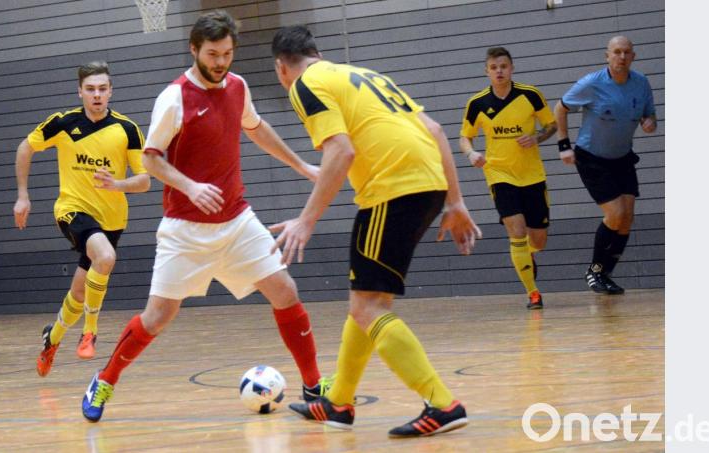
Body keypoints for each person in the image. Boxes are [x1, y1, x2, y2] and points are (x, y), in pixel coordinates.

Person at [81, 10, 325, 422]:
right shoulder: (173, 97)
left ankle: (316, 387)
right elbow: (152, 160)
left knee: (286, 292)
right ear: (194, 49)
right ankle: (104, 380)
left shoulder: (238, 86)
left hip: (236, 220)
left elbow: (257, 127)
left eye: (227, 53)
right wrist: (191, 186)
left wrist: (303, 166)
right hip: (185, 230)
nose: (220, 62)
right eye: (212, 54)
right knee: (157, 317)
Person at [270, 25, 482, 438]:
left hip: (392, 188)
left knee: (368, 307)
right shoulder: (365, 75)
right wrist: (455, 201)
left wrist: (306, 220)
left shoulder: (304, 85)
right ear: (317, 52)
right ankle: (339, 404)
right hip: (429, 183)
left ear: (282, 68)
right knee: (367, 300)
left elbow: (341, 150)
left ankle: (443, 404)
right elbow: (436, 130)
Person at [14, 61, 151, 376]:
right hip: (72, 210)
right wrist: (23, 195)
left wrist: (118, 184)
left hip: (112, 220)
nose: (97, 95)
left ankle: (52, 339)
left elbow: (144, 181)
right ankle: (90, 332)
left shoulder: (127, 129)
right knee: (105, 256)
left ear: (111, 91)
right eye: (90, 89)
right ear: (80, 92)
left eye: (102, 89)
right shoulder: (63, 123)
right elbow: (25, 147)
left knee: (79, 293)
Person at [554, 36, 656, 294]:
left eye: (626, 53)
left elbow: (649, 114)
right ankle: (595, 271)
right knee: (615, 214)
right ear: (607, 56)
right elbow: (560, 107)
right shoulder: (591, 84)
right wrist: (564, 145)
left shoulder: (641, 84)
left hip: (622, 157)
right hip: (592, 158)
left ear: (633, 56)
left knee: (627, 218)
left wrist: (650, 122)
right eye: (616, 52)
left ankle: (605, 274)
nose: (621, 57)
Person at [459, 47, 557, 310]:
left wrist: (536, 137)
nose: (499, 71)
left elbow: (552, 125)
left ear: (511, 68)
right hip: (499, 174)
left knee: (538, 240)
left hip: (532, 174)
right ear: (487, 71)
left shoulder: (530, 95)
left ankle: (529, 255)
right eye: (494, 67)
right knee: (516, 230)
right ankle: (533, 293)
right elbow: (465, 137)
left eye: (503, 66)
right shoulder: (477, 103)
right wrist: (471, 154)